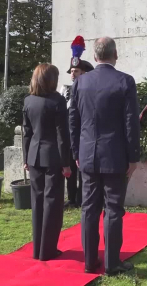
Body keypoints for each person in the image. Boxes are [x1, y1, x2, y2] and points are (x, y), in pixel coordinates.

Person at [69, 37, 141, 275]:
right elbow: (131, 123)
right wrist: (133, 157)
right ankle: (111, 263)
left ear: (96, 56)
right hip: (115, 155)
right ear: (115, 54)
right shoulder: (125, 81)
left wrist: (76, 152)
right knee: (112, 210)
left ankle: (90, 262)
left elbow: (73, 120)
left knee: (89, 208)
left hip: (88, 153)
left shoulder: (80, 83)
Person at [22, 64, 72, 261]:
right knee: (52, 203)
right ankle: (48, 250)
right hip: (53, 158)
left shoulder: (28, 101)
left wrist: (26, 158)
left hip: (34, 156)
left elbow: (27, 132)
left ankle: (38, 250)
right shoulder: (57, 101)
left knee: (37, 202)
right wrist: (66, 163)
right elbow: (62, 135)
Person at [59, 35, 95, 208]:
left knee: (81, 168)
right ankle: (71, 197)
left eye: (76, 71)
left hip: (82, 134)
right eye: (72, 71)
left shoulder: (87, 90)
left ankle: (81, 198)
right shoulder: (65, 91)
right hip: (67, 134)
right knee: (70, 168)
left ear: (84, 73)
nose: (73, 74)